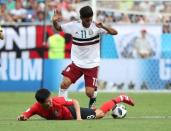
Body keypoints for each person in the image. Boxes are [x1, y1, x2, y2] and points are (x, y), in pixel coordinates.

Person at [52, 6, 118, 109]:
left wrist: (103, 26)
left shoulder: (97, 26)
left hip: (92, 64)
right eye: (86, 20)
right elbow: (58, 28)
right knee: (64, 84)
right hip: (77, 63)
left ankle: (93, 97)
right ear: (81, 18)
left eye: (90, 19)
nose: (89, 22)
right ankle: (62, 105)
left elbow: (115, 32)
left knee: (89, 93)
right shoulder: (74, 26)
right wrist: (55, 22)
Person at [17, 88, 134, 121]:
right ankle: (93, 109)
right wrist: (22, 117)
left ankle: (121, 98)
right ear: (40, 103)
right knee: (98, 113)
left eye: (50, 99)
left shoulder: (57, 100)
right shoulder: (35, 107)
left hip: (72, 112)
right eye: (48, 102)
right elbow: (24, 115)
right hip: (68, 116)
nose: (51, 102)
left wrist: (78, 117)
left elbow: (75, 101)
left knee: (101, 114)